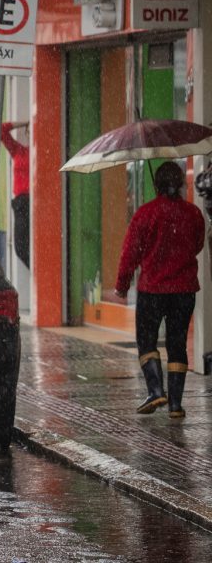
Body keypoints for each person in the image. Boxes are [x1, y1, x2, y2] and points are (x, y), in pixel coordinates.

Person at [114, 160, 205, 418]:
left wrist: (122, 285)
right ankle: (175, 405)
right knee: (177, 344)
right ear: (181, 184)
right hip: (184, 290)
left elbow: (130, 253)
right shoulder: (193, 213)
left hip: (152, 290)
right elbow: (197, 244)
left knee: (146, 340)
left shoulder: (145, 213)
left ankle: (156, 391)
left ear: (156, 186)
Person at [1, 120, 30, 268]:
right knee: (20, 247)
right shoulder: (19, 150)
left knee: (33, 244)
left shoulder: (42, 152)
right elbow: (1, 130)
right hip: (20, 202)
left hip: (34, 202)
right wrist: (25, 123)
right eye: (29, 132)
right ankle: (36, 270)